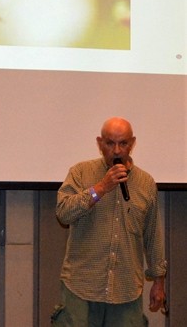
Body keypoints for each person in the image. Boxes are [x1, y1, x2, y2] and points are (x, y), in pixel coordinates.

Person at [52, 117, 167, 326]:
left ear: (132, 144)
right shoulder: (80, 173)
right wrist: (101, 188)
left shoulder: (146, 183)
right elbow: (63, 213)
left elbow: (153, 236)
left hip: (126, 291)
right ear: (99, 143)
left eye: (123, 143)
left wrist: (158, 281)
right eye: (110, 143)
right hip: (82, 287)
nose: (116, 150)